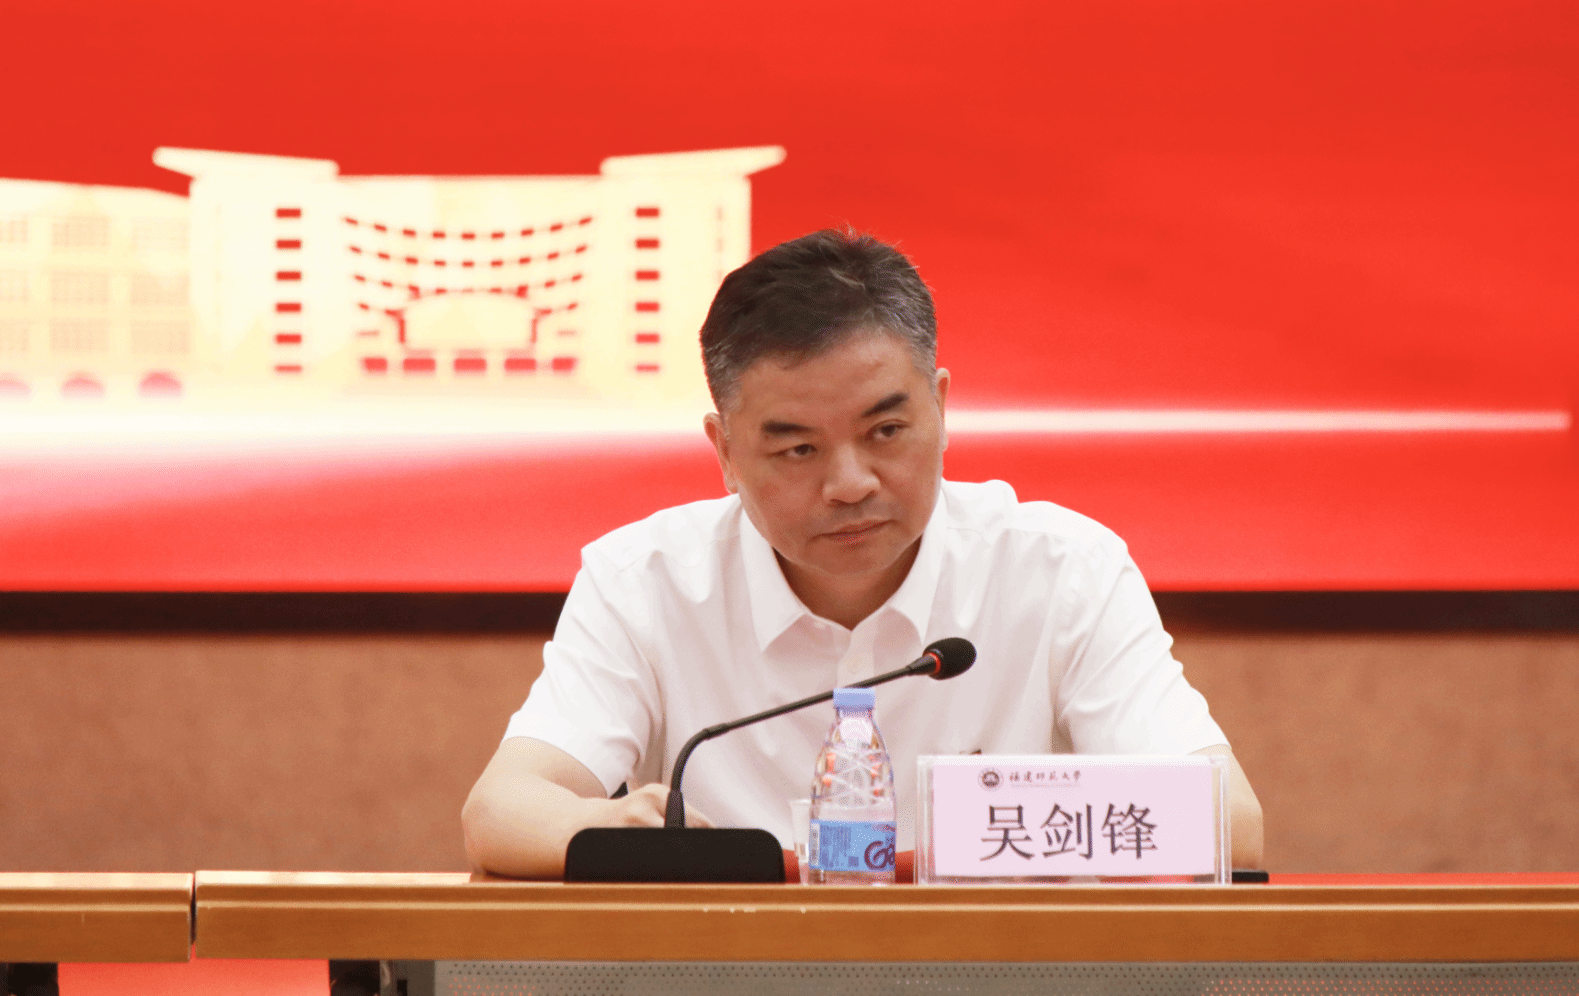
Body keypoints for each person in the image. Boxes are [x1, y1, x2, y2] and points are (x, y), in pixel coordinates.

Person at [462, 229, 1264, 877]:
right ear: (726, 451)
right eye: (798, 450)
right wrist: (610, 829)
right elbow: (500, 810)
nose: (850, 484)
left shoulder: (1061, 571)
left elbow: (1232, 823)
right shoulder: (644, 581)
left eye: (886, 431)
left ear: (941, 409)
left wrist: (1004, 824)